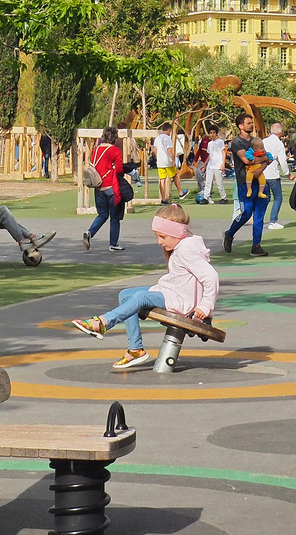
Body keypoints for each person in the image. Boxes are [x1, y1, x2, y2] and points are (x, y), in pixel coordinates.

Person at [71, 203, 219, 370]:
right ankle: (136, 349)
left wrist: (205, 307)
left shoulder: (186, 250)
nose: (159, 242)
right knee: (125, 295)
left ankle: (103, 322)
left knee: (140, 297)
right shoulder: (181, 245)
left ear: (177, 233)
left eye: (163, 237)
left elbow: (211, 276)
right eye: (157, 236)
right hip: (172, 293)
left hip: (181, 301)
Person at [223, 114, 270, 256]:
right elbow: (247, 160)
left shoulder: (256, 141)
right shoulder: (237, 143)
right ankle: (230, 233)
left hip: (260, 181)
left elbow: (266, 159)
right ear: (240, 126)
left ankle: (256, 245)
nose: (251, 125)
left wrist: (260, 168)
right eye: (248, 123)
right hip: (245, 183)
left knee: (259, 216)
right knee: (246, 212)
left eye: (252, 122)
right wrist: (263, 158)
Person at [83, 127, 126, 252]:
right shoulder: (115, 150)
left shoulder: (96, 150)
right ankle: (113, 244)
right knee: (115, 217)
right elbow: (119, 170)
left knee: (102, 214)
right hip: (111, 187)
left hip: (98, 186)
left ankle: (90, 232)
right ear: (114, 137)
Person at [263, 122, 289, 230]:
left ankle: (258, 218)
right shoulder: (278, 144)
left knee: (265, 198)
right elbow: (282, 161)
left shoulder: (263, 141)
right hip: (273, 174)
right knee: (278, 198)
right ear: (280, 133)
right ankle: (273, 221)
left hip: (262, 173)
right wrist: (287, 173)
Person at [201, 124, 228, 204]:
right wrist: (205, 164)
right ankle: (206, 197)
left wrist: (223, 164)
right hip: (210, 165)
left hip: (218, 166)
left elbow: (224, 153)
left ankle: (224, 197)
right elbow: (210, 155)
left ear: (216, 133)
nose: (212, 134)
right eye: (210, 133)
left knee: (219, 183)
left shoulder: (220, 142)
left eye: (213, 133)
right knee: (208, 182)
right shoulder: (210, 144)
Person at [152, 128, 176, 202]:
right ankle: (181, 192)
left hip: (160, 162)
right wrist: (173, 159)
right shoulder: (168, 138)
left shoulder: (157, 138)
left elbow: (155, 150)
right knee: (175, 175)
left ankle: (163, 198)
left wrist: (157, 158)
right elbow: (169, 150)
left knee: (162, 180)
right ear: (169, 130)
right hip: (167, 161)